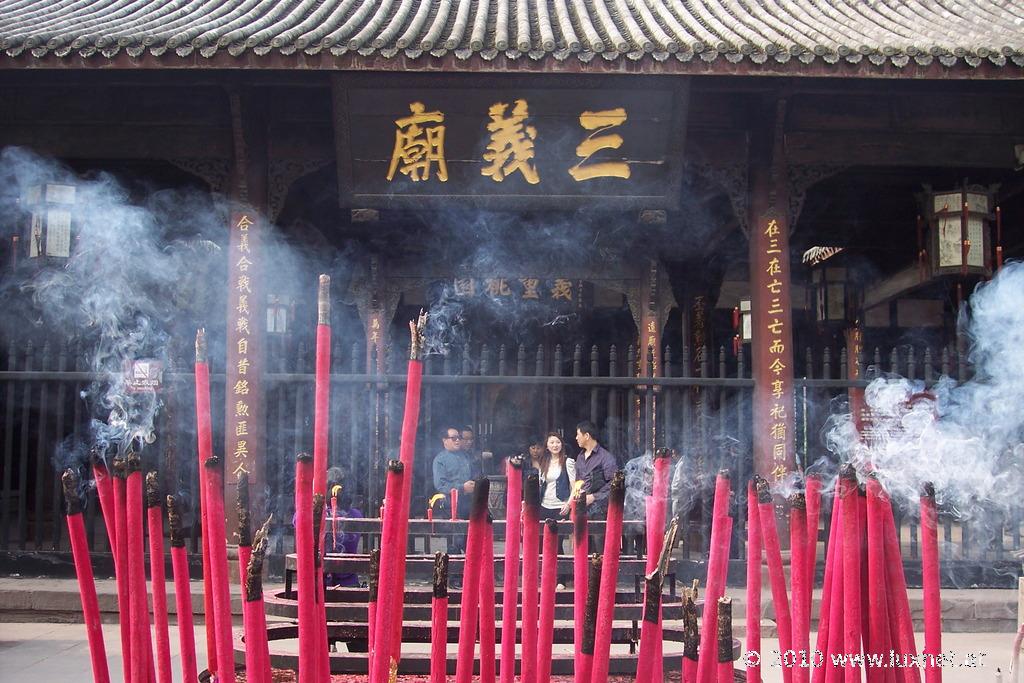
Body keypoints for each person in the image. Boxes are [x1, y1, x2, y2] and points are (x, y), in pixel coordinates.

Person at [533, 431, 576, 588]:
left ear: (562, 444)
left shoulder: (568, 462)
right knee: (542, 542)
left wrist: (569, 504)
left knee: (557, 544)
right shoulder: (543, 462)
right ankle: (547, 575)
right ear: (547, 446)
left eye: (557, 442)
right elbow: (540, 484)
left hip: (560, 506)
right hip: (544, 505)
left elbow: (574, 486)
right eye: (552, 443)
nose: (555, 445)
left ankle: (560, 579)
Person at [432, 425, 479, 556]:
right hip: (450, 504)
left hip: (468, 502)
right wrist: (462, 487)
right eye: (453, 438)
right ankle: (455, 573)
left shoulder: (466, 457)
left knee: (471, 537)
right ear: (444, 440)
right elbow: (440, 485)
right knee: (456, 539)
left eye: (458, 438)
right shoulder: (440, 460)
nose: (457, 441)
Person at [573, 419, 617, 521]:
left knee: (598, 536)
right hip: (581, 510)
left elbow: (614, 483)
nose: (576, 438)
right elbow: (577, 483)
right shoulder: (579, 457)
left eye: (578, 435)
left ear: (587, 436)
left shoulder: (605, 457)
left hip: (600, 511)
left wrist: (594, 497)